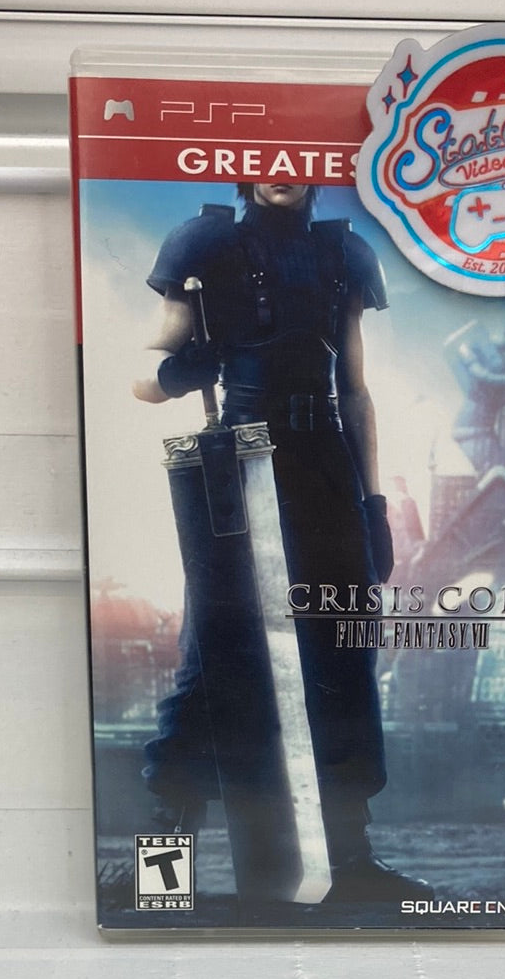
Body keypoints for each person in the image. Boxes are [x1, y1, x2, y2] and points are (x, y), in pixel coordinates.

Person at [133, 182, 431, 903]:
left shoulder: (343, 253)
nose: (280, 172)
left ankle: (350, 861)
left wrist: (373, 503)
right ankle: (157, 872)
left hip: (325, 466)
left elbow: (354, 390)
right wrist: (180, 371)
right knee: (213, 656)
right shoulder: (204, 243)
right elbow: (142, 377)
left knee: (344, 652)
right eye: (264, 161)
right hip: (239, 464)